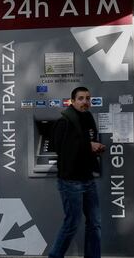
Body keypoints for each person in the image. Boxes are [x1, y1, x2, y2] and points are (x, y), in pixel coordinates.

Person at [49, 86, 106, 258]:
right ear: (72, 101)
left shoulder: (88, 118)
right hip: (70, 181)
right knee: (72, 223)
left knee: (95, 222)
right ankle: (55, 256)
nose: (85, 102)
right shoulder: (64, 121)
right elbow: (60, 148)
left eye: (88, 98)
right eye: (81, 98)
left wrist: (95, 147)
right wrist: (89, 146)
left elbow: (89, 140)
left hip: (87, 178)